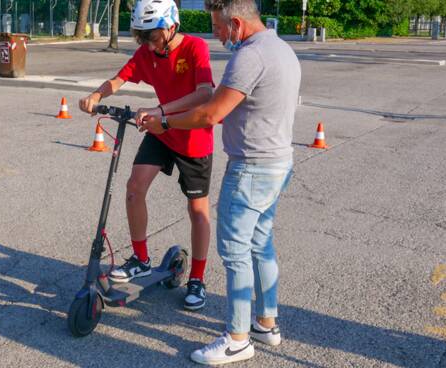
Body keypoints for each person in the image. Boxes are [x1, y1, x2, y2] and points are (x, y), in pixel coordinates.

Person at [138, 0, 301, 364]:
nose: (215, 34)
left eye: (219, 27)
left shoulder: (250, 56)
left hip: (252, 168)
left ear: (238, 24)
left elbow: (211, 112)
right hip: (278, 161)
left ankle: (238, 338)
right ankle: (266, 323)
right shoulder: (282, 48)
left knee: (235, 252)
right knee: (261, 244)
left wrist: (164, 123)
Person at [79, 0, 215, 311]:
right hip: (161, 132)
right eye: (142, 37)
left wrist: (159, 110)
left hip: (192, 135)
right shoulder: (147, 52)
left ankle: (197, 277)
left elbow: (206, 93)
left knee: (197, 211)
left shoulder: (195, 48)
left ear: (171, 27)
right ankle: (140, 258)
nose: (148, 44)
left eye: (152, 37)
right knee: (134, 188)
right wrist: (96, 95)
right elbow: (119, 78)